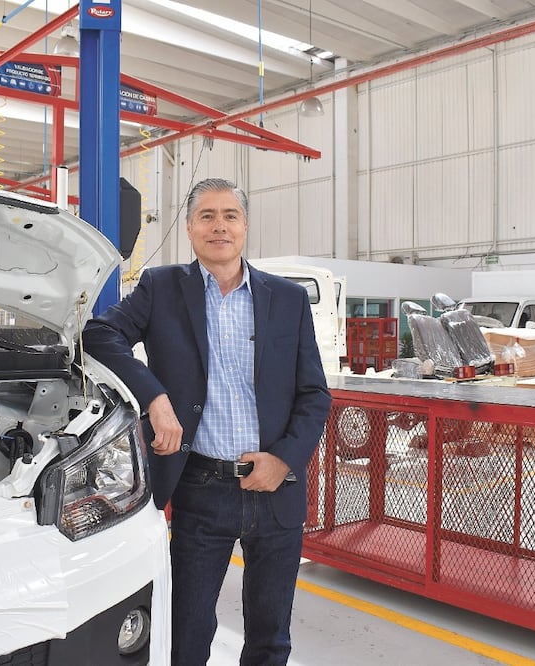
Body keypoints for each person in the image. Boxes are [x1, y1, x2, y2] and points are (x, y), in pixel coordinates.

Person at [83, 178, 331, 666]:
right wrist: (155, 397)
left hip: (275, 489)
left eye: (230, 216)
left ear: (245, 226)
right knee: (188, 630)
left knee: (270, 633)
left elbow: (314, 394)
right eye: (207, 216)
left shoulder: (287, 299)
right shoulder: (161, 288)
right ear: (191, 229)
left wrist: (283, 460)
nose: (220, 226)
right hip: (201, 486)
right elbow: (99, 334)